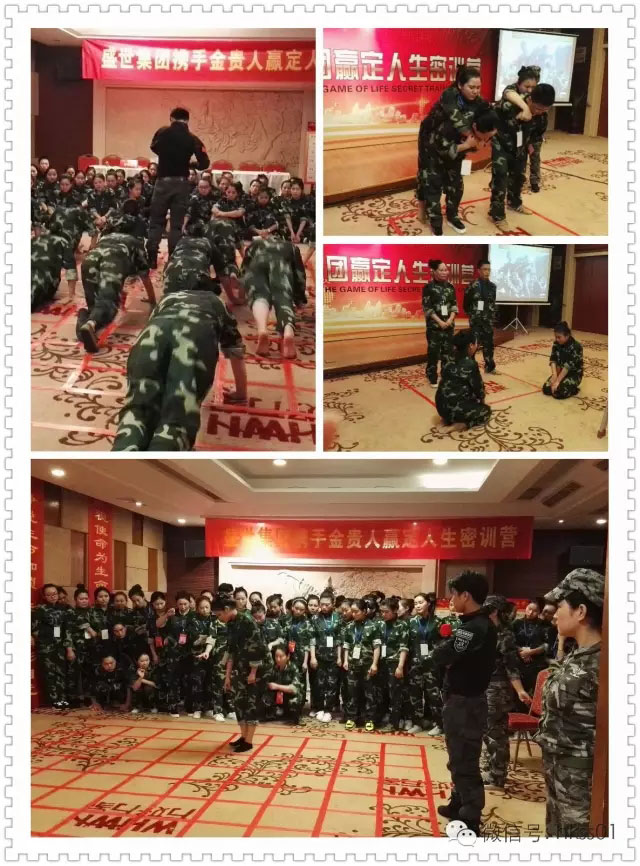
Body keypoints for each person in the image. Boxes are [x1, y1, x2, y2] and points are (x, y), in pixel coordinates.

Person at [536, 569, 604, 837]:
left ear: (581, 612)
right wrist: (562, 641)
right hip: (557, 766)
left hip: (580, 775)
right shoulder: (579, 654)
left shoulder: (602, 663)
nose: (554, 614)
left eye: (561, 606)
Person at [431, 571, 497, 837]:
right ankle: (458, 803)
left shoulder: (473, 628)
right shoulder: (476, 623)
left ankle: (470, 818)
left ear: (466, 596)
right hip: (463, 700)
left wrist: (434, 656)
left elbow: (444, 654)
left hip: (465, 703)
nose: (452, 599)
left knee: (465, 761)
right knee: (458, 756)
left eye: (454, 594)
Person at [417, 75, 498, 236]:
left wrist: (476, 144)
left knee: (456, 186)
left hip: (456, 149)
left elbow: (486, 129)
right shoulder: (449, 120)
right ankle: (436, 223)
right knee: (433, 187)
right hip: (432, 149)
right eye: (471, 87)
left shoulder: (479, 111)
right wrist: (466, 146)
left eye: (478, 87)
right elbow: (439, 146)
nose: (475, 91)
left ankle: (452, 216)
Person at [76, 210, 156, 353]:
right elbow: (144, 275)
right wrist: (153, 301)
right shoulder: (134, 241)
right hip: (111, 263)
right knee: (109, 305)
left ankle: (86, 321)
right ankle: (90, 324)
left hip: (89, 261)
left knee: (95, 305)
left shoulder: (105, 237)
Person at [147, 107, 210, 269]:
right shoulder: (192, 138)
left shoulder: (162, 132)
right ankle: (173, 258)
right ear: (187, 120)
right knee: (176, 224)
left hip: (162, 182)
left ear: (171, 118)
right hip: (181, 184)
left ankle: (152, 257)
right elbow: (205, 163)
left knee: (156, 221)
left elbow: (153, 147)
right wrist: (190, 164)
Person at [481, 596, 532, 791]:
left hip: (497, 689)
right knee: (488, 732)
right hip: (486, 686)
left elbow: (511, 667)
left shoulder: (505, 635)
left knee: (496, 733)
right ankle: (491, 769)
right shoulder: (486, 631)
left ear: (494, 611)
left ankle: (497, 776)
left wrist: (520, 690)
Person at [489, 82, 555, 230]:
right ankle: (497, 215)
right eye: (537, 108)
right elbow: (491, 118)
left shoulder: (542, 116)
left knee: (519, 176)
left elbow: (536, 136)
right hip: (501, 144)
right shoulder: (511, 105)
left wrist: (530, 150)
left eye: (545, 109)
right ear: (530, 99)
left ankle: (514, 203)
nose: (540, 112)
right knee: (500, 177)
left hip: (520, 146)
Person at [213, 594, 266, 753]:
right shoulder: (231, 623)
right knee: (239, 702)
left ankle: (248, 741)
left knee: (250, 704)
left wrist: (253, 673)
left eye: (219, 614)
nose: (219, 618)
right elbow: (231, 650)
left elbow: (258, 648)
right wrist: (227, 676)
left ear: (227, 609)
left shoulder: (247, 621)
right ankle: (243, 737)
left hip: (255, 669)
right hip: (240, 667)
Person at [242, 237, 308, 360]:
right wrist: (299, 298)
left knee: (259, 297)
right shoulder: (291, 247)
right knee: (283, 297)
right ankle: (288, 332)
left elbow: (245, 267)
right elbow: (300, 275)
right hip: (281, 265)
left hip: (257, 264)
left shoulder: (256, 243)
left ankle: (262, 330)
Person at [436, 329, 492, 430]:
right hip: (456, 410)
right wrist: (481, 403)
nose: (477, 346)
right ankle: (462, 424)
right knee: (486, 411)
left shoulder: (448, 358)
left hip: (440, 407)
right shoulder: (470, 364)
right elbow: (479, 389)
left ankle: (447, 418)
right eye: (476, 343)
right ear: (471, 345)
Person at [31, 584, 75, 709]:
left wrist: (69, 648)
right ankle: (53, 700)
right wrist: (42, 637)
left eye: (54, 594)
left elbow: (68, 630)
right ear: (44, 596)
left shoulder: (64, 609)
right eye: (49, 595)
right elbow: (34, 629)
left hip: (60, 646)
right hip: (45, 647)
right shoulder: (40, 610)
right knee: (49, 674)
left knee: (61, 672)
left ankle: (62, 699)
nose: (53, 596)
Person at [502, 65, 544, 192]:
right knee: (518, 156)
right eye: (527, 86)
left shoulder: (539, 92)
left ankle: (535, 180)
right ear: (519, 83)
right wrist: (525, 108)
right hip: (517, 131)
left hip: (534, 130)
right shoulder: (512, 89)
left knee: (535, 155)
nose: (530, 90)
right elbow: (508, 93)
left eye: (533, 87)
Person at [406, 592, 444, 735]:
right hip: (415, 664)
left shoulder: (438, 622)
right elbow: (406, 643)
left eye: (420, 602)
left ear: (428, 603)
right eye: (415, 603)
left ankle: (439, 724)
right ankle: (417, 723)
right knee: (415, 695)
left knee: (433, 695)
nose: (417, 605)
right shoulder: (410, 622)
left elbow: (443, 643)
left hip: (432, 665)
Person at [342, 598, 382, 732]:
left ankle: (370, 719)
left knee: (369, 693)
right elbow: (346, 645)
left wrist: (375, 664)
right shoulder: (349, 626)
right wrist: (345, 660)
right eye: (352, 611)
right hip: (353, 665)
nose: (353, 614)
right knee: (352, 692)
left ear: (364, 611)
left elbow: (376, 647)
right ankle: (351, 718)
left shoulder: (373, 626)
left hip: (367, 665)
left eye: (356, 611)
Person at [422, 259, 458, 386]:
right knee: (433, 354)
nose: (444, 272)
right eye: (441, 270)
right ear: (434, 271)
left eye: (445, 270)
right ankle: (432, 377)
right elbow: (428, 309)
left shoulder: (450, 287)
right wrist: (440, 322)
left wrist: (449, 320)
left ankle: (446, 377)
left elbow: (454, 306)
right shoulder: (428, 288)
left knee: (448, 355)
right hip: (434, 328)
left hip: (448, 326)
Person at [309, 591, 342, 723]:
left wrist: (339, 657)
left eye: (327, 604)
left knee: (332, 684)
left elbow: (339, 639)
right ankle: (320, 708)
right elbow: (312, 639)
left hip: (333, 657)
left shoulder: (338, 617)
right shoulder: (315, 619)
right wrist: (313, 657)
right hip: (319, 656)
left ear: (333, 604)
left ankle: (329, 710)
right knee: (319, 683)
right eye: (322, 604)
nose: (324, 607)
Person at [378, 598, 410, 731]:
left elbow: (404, 647)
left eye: (386, 612)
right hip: (381, 662)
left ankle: (394, 722)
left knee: (395, 694)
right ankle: (382, 717)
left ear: (395, 610)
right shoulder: (380, 624)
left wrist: (400, 666)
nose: (383, 614)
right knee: (381, 691)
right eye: (381, 611)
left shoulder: (402, 625)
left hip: (394, 663)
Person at [464, 258, 497, 374]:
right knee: (474, 344)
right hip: (476, 321)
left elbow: (492, 303)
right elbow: (466, 304)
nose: (487, 272)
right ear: (478, 270)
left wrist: (490, 316)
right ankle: (472, 368)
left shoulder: (493, 286)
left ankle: (490, 366)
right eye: (484, 269)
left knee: (489, 344)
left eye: (489, 269)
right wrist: (473, 315)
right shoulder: (472, 286)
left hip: (488, 321)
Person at [512, 600, 551, 700]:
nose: (530, 612)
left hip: (537, 664)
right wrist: (521, 652)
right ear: (526, 608)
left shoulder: (545, 625)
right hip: (518, 662)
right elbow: (509, 641)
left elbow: (547, 645)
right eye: (529, 609)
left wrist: (531, 652)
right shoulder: (516, 623)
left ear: (539, 612)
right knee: (517, 696)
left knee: (535, 694)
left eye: (535, 611)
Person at [185, 595, 216, 719]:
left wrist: (205, 639)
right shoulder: (192, 619)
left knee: (210, 682)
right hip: (196, 655)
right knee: (197, 682)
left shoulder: (214, 619)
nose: (204, 610)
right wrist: (199, 639)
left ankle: (208, 708)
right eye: (202, 607)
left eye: (207, 607)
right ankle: (197, 708)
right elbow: (189, 637)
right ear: (197, 608)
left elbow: (215, 636)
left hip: (211, 655)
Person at [263, 645, 304, 724]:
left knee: (296, 699)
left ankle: (291, 714)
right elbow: (265, 682)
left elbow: (294, 689)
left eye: (281, 656)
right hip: (276, 696)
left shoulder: (293, 668)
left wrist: (277, 686)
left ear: (288, 656)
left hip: (288, 696)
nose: (278, 659)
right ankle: (274, 712)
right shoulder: (272, 668)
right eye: (276, 656)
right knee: (264, 697)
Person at [542, 321, 584, 400]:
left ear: (567, 336)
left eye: (559, 337)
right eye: (556, 337)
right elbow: (553, 360)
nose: (557, 339)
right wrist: (554, 375)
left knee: (558, 392)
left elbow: (567, 367)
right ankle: (563, 384)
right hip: (560, 372)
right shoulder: (556, 344)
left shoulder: (576, 346)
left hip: (573, 374)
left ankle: (574, 389)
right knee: (546, 389)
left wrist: (557, 381)